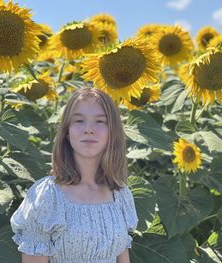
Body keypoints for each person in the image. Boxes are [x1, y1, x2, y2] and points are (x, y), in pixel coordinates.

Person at [10, 87, 138, 263]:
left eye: (100, 121)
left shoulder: (120, 194)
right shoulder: (47, 196)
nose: (88, 129)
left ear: (112, 132)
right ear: (67, 132)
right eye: (79, 121)